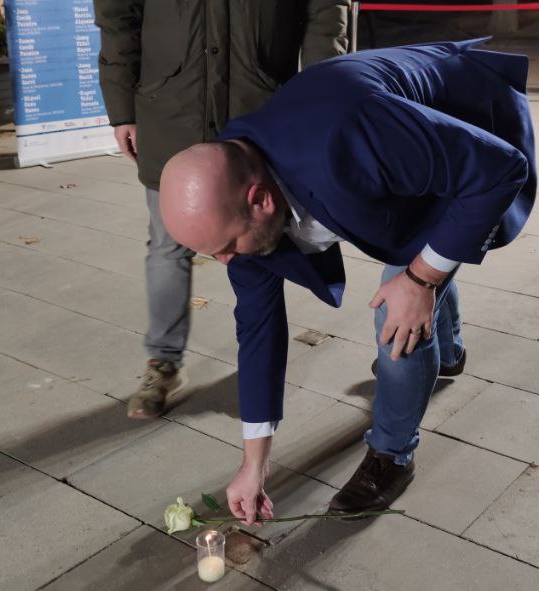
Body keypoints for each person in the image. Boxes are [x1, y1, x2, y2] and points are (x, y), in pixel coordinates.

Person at [157, 39, 537, 522]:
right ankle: (451, 350)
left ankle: (393, 455)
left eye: (228, 247)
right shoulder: (236, 199)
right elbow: (258, 332)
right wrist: (254, 464)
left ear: (261, 201)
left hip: (475, 128)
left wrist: (420, 281)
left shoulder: (351, 135)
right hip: (405, 156)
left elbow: (497, 169)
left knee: (396, 310)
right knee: (411, 250)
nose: (228, 261)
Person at [94, 1, 350, 419]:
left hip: (260, 105)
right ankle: (163, 362)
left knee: (262, 247)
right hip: (171, 108)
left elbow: (325, 10)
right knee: (167, 245)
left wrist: (321, 96)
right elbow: (117, 13)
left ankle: (260, 372)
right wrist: (121, 105)